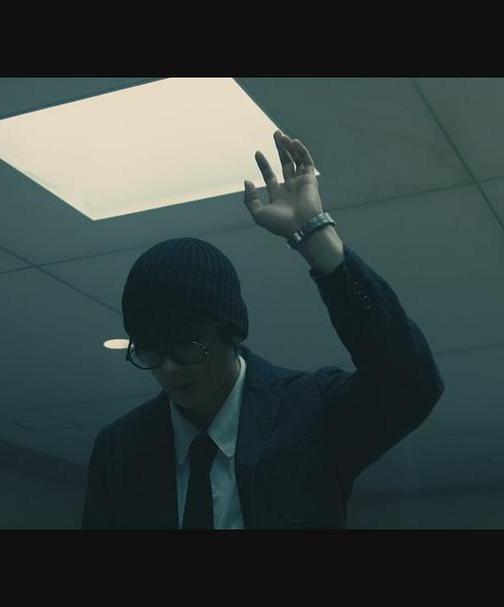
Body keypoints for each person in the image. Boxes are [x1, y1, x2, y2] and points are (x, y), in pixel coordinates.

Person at [82, 130, 444, 529]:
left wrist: (318, 239)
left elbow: (410, 384)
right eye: (150, 349)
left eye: (187, 344)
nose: (168, 367)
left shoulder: (309, 411)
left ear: (232, 331)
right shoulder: (120, 447)